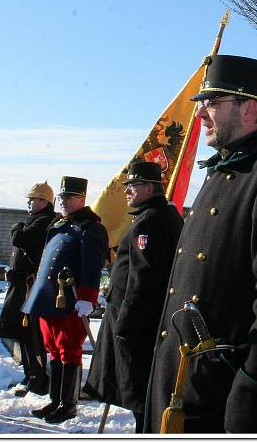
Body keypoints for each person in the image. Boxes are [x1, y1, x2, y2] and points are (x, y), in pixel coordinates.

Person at [143, 55, 257, 434]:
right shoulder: (220, 172)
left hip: (218, 392)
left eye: (212, 103)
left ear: (249, 108)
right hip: (179, 378)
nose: (200, 115)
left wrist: (251, 388)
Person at [84, 161, 184, 432]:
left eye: (133, 185)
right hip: (150, 319)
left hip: (138, 322)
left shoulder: (148, 222)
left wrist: (126, 324)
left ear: (150, 188)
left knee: (139, 393)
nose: (127, 191)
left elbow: (143, 279)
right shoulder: (163, 216)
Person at [21, 176, 108, 424]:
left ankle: (68, 404)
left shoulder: (91, 229)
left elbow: (93, 265)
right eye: (62, 198)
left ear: (82, 199)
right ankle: (55, 400)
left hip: (70, 300)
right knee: (53, 350)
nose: (64, 202)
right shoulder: (59, 225)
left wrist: (87, 297)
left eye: (69, 198)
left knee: (69, 351)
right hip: (49, 298)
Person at [0, 181, 57, 397]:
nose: (29, 203)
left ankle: (38, 378)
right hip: (22, 287)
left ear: (44, 201)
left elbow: (20, 238)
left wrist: (16, 226)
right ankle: (30, 374)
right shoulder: (36, 220)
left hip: (30, 290)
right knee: (23, 335)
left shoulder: (44, 222)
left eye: (33, 199)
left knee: (32, 336)